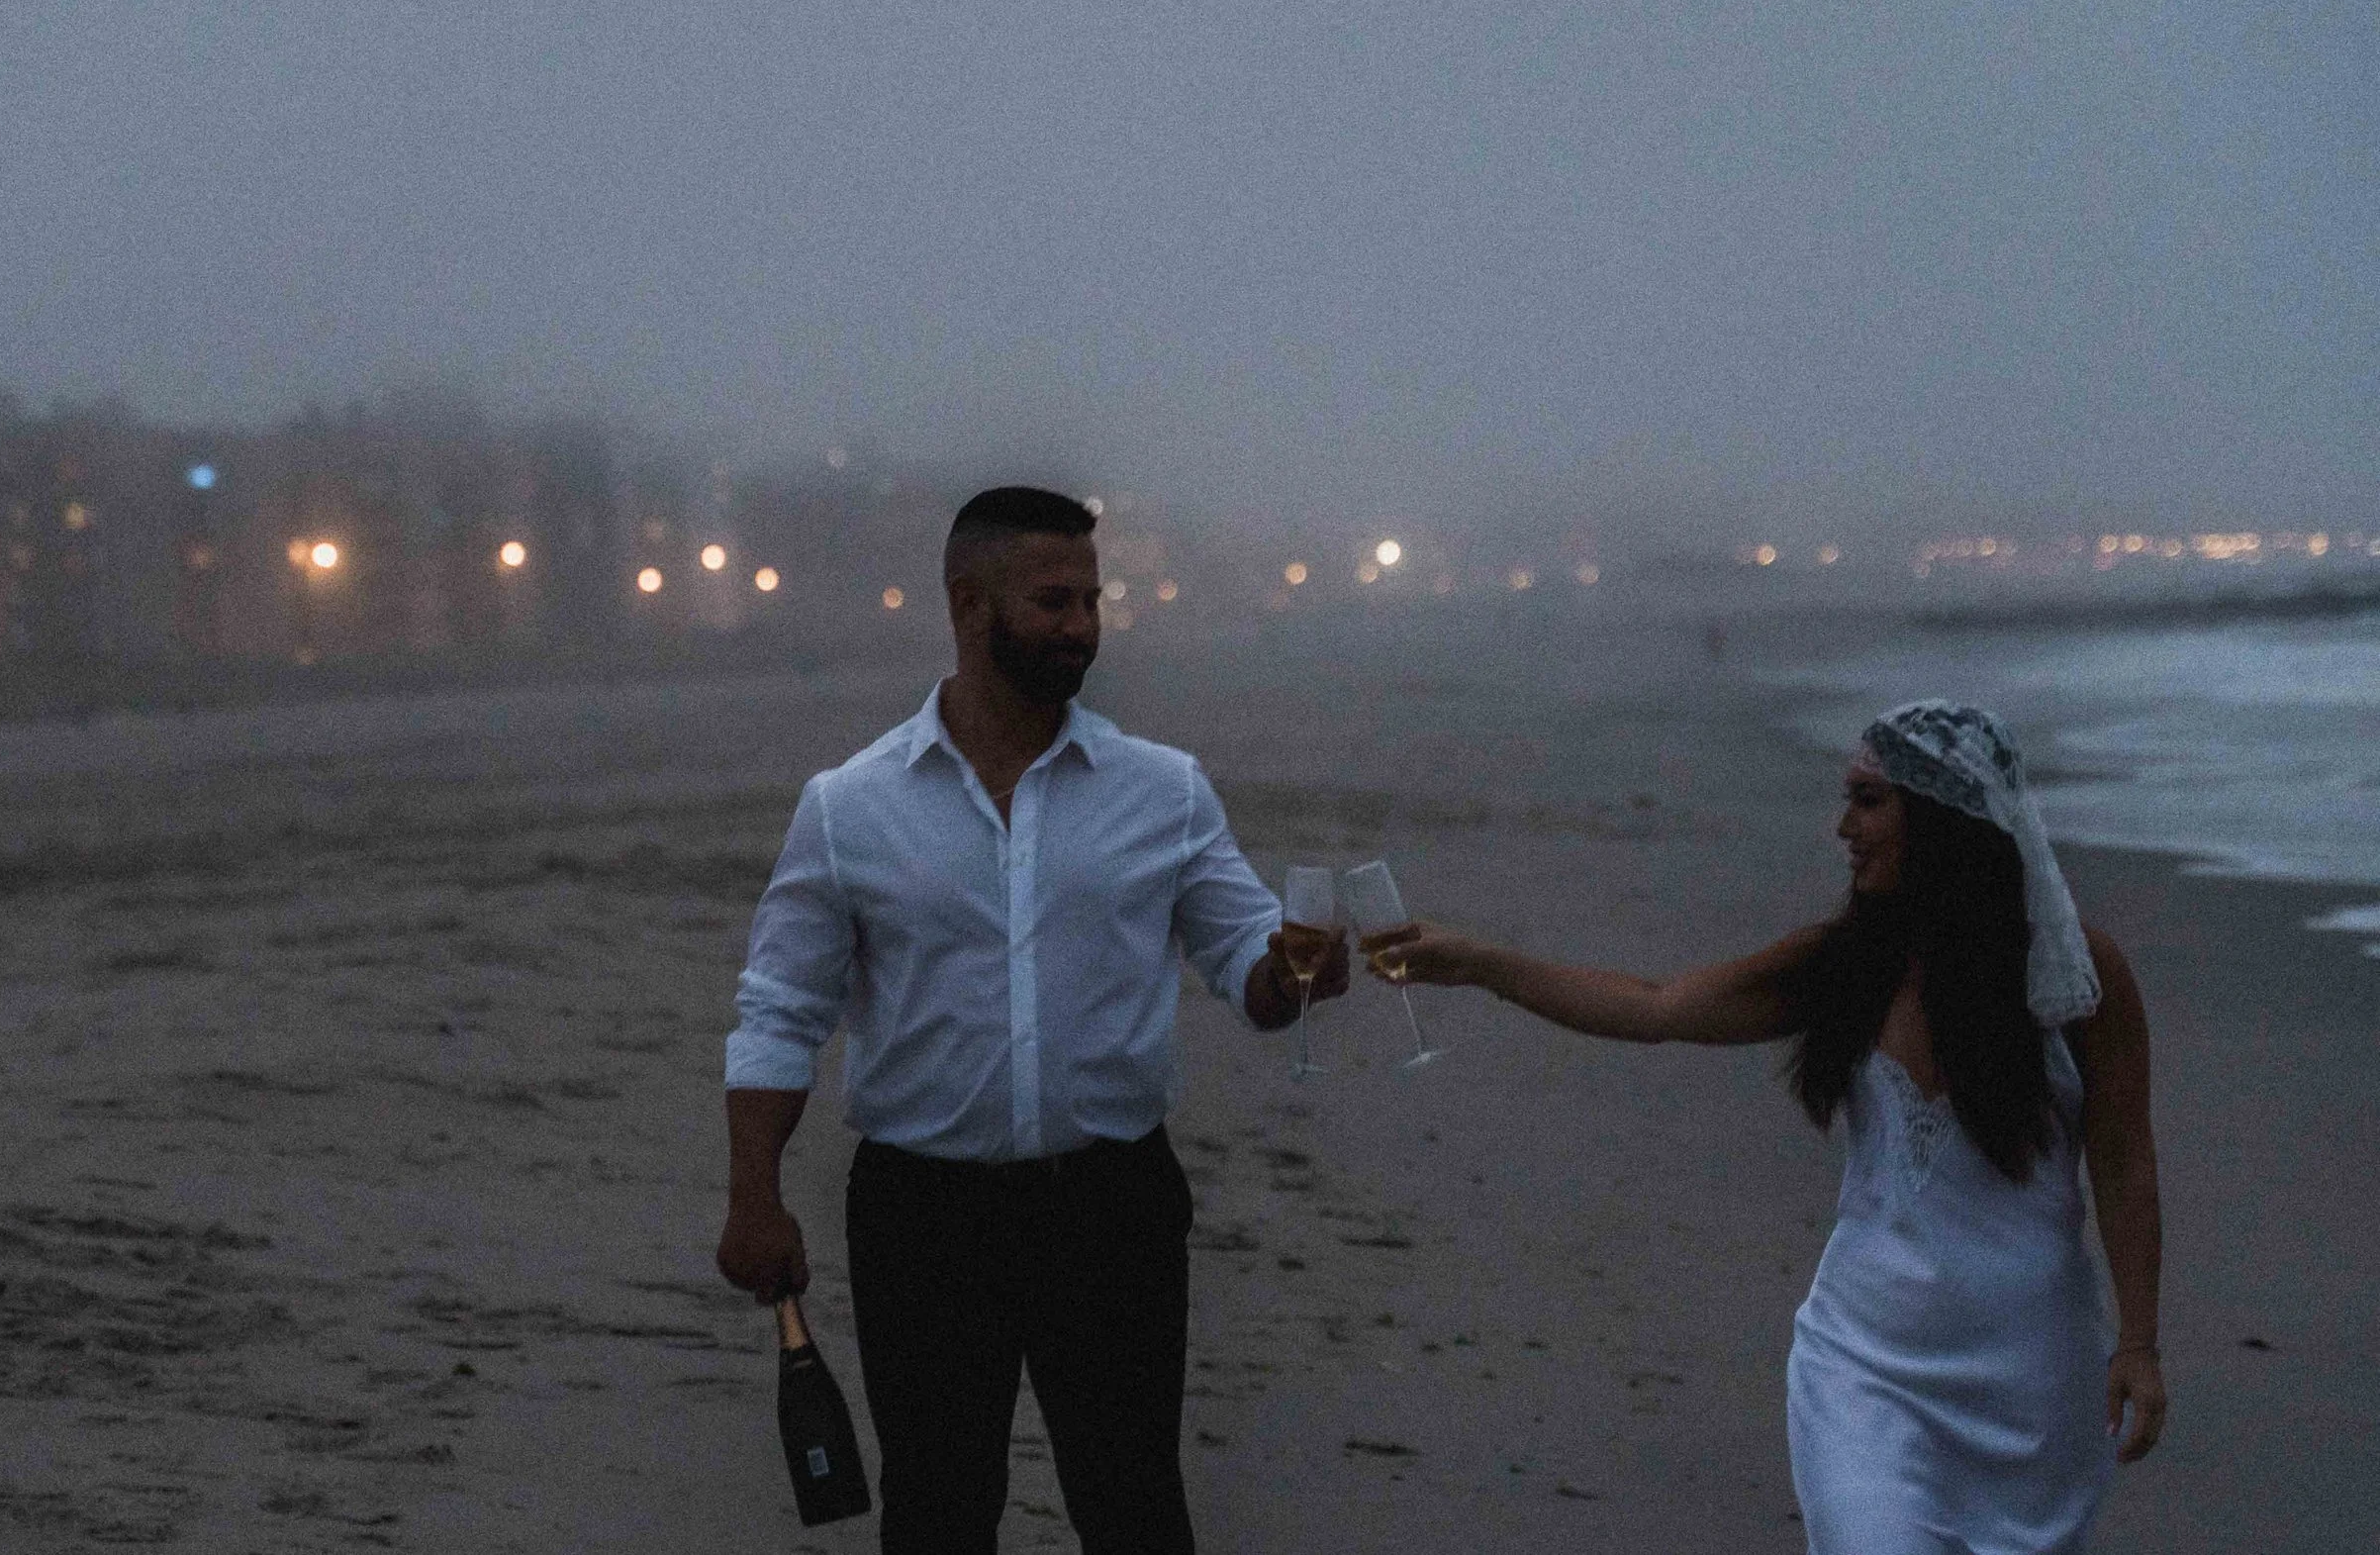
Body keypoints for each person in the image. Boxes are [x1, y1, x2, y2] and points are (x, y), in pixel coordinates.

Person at [1370, 701, 2166, 1555]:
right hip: (1869, 1374)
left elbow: (2122, 1161)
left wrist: (2141, 1342)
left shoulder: (2079, 980)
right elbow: (1654, 1008)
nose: (1842, 827)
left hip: (2032, 1393)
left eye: (1868, 801)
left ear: (1942, 814)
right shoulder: (1844, 963)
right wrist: (1482, 963)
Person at [715, 486, 1348, 1555]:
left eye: (1092, 600)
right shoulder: (850, 804)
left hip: (1110, 1204)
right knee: (937, 1510)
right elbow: (781, 1009)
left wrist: (1294, 973)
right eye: (1053, 600)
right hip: (923, 1215)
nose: (1082, 626)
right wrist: (753, 1197)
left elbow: (1245, 955)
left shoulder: (1164, 790)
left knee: (1135, 1503)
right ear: (968, 604)